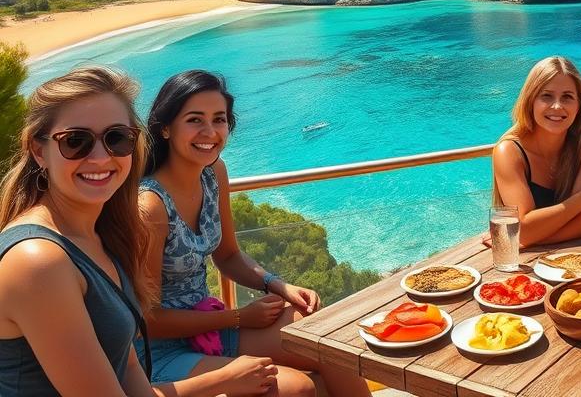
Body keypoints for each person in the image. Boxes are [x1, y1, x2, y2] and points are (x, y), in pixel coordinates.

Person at [0, 66, 279, 396]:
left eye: (117, 138)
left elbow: (129, 369)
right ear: (38, 150)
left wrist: (273, 285)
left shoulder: (100, 237)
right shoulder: (38, 261)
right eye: (76, 141)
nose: (101, 157)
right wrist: (221, 380)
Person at [138, 70, 372, 397]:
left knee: (326, 338)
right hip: (160, 352)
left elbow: (229, 256)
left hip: (210, 326)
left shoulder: (213, 173)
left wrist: (277, 285)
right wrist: (237, 317)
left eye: (219, 119)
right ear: (165, 128)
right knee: (295, 388)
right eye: (194, 120)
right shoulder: (150, 207)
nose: (210, 131)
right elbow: (147, 320)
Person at [492, 56, 581, 247]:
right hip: (531, 266)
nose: (557, 106)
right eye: (546, 96)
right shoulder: (509, 152)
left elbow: (580, 227)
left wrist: (522, 238)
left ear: (579, 106)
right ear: (530, 100)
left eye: (567, 97)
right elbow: (524, 232)